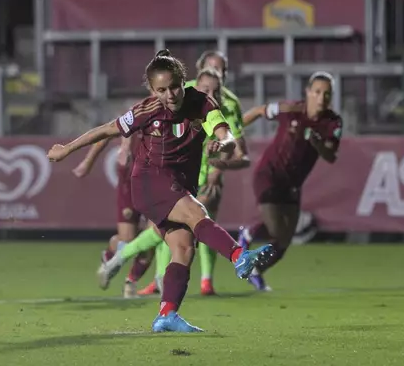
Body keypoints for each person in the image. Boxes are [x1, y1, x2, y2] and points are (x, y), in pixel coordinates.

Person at [47, 49, 275, 332]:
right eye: (162, 90)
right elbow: (107, 130)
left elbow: (225, 135)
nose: (170, 95)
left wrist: (223, 144)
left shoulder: (202, 103)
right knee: (196, 212)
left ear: (183, 81)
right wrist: (67, 149)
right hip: (149, 181)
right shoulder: (147, 110)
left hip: (179, 183)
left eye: (175, 86)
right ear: (153, 90)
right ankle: (240, 257)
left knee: (183, 248)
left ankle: (167, 314)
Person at [138, 50, 248, 297]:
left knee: (197, 225)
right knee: (169, 229)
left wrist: (220, 165)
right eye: (211, 66)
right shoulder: (178, 90)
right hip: (169, 173)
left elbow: (240, 150)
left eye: (220, 69)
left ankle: (203, 281)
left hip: (205, 175)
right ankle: (155, 279)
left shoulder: (228, 103)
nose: (215, 73)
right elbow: (141, 116)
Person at [237, 71, 342, 291]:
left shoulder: (332, 123)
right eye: (318, 92)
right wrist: (231, 133)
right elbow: (258, 111)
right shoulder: (290, 109)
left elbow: (331, 156)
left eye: (327, 94)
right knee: (276, 229)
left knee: (284, 242)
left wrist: (318, 144)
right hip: (270, 175)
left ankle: (255, 270)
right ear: (308, 92)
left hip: (293, 185)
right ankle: (247, 232)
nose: (322, 97)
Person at [72, 116, 154, 298]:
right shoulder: (139, 112)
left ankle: (130, 284)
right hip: (130, 181)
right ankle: (110, 256)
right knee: (127, 240)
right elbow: (106, 132)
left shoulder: (177, 113)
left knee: (154, 238)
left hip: (157, 183)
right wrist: (88, 162)